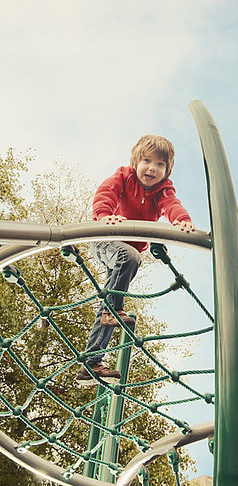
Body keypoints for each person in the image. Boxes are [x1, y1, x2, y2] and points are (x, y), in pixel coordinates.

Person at [76, 135, 195, 385]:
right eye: (147, 160)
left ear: (166, 170)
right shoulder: (124, 176)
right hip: (105, 238)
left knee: (113, 297)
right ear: (136, 161)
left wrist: (181, 219)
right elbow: (106, 192)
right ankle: (112, 312)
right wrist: (104, 215)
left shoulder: (163, 191)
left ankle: (91, 364)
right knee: (129, 259)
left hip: (126, 256)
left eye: (160, 164)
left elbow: (171, 205)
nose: (152, 168)